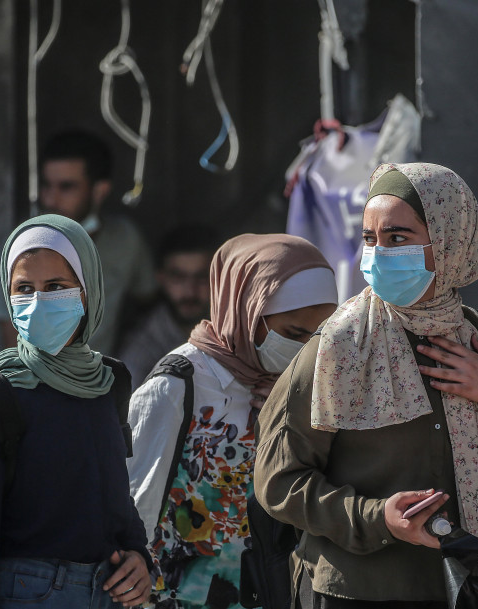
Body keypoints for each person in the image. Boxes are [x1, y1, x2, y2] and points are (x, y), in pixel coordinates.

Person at [254, 162, 478, 609]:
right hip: (358, 593)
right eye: (370, 239)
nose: (377, 255)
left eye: (397, 238)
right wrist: (378, 519)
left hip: (467, 585)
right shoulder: (341, 343)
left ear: (450, 240)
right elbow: (278, 482)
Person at [0, 214, 152, 609]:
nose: (38, 302)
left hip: (106, 593)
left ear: (88, 290)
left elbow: (113, 497)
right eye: (24, 289)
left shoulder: (109, 383)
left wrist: (139, 555)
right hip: (25, 594)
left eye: (56, 287)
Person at [126, 233, 338, 609]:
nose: (306, 349)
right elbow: (134, 506)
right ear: (248, 310)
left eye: (318, 336)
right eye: (292, 334)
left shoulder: (309, 387)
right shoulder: (178, 385)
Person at [0, 129, 155, 355]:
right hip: (39, 382)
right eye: (46, 185)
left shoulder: (125, 239)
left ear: (99, 191)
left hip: (103, 383)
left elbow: (150, 301)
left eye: (66, 187)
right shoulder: (21, 245)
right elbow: (14, 341)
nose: (50, 198)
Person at [118, 224, 220, 386]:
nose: (190, 292)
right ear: (161, 278)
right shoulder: (142, 347)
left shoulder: (239, 331)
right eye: (178, 277)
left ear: (219, 278)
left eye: (201, 277)